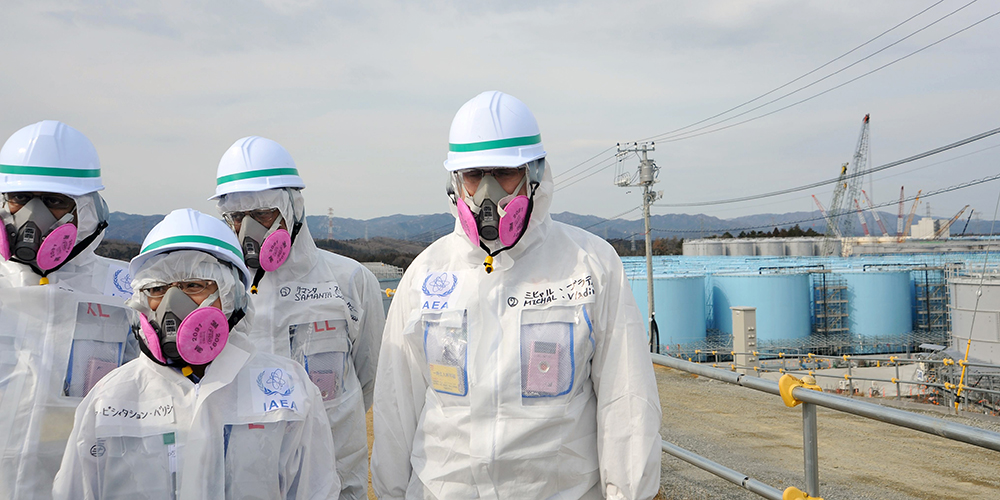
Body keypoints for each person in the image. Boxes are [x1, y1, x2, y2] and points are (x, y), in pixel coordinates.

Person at [371, 91, 663, 499]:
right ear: (456, 182)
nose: (488, 193)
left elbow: (627, 402)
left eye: (504, 174)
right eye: (475, 175)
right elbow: (394, 408)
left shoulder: (589, 266)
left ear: (534, 175)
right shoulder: (426, 275)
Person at [53, 208, 339, 499]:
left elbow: (315, 490)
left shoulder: (288, 389)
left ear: (231, 297)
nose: (171, 303)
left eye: (194, 285)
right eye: (156, 288)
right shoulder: (109, 398)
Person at [211, 136, 384, 499]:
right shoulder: (214, 295)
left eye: (261, 215)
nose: (248, 233)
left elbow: (370, 379)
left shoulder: (350, 282)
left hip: (336, 478)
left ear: (294, 208)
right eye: (237, 218)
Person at [0, 120, 136, 500]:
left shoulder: (128, 293)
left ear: (87, 211)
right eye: (21, 199)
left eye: (56, 202)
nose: (33, 217)